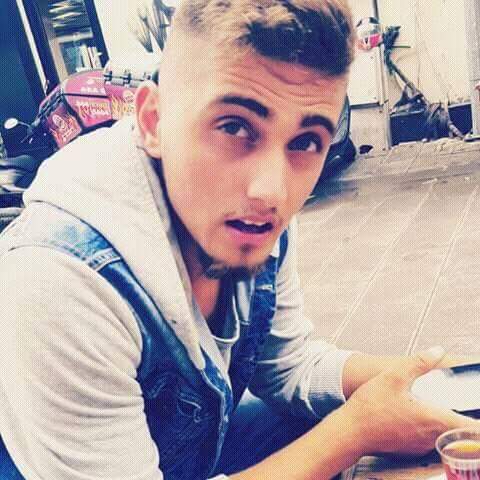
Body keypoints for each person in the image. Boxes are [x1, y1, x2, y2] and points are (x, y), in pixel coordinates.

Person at [0, 1, 478, 479]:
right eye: (234, 127)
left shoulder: (246, 213)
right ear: (152, 121)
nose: (271, 191)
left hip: (181, 447)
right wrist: (357, 431)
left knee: (326, 423)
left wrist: (433, 378)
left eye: (305, 141)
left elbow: (291, 366)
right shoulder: (57, 280)